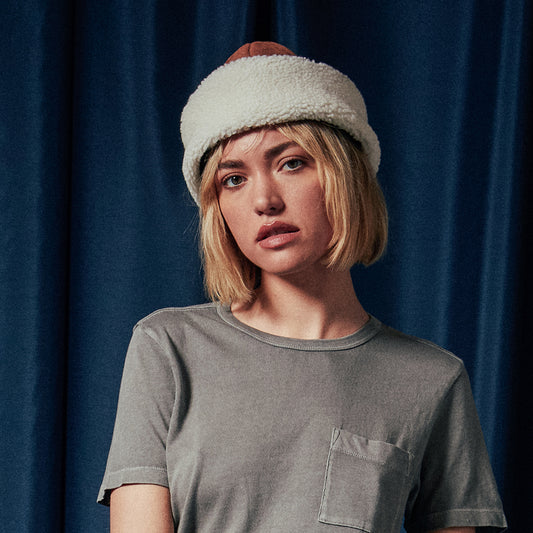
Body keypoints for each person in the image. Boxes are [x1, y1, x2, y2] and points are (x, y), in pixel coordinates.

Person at [98, 42, 507, 532]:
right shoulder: (168, 347)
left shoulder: (432, 378)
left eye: (291, 162)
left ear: (346, 174)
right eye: (233, 179)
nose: (264, 200)